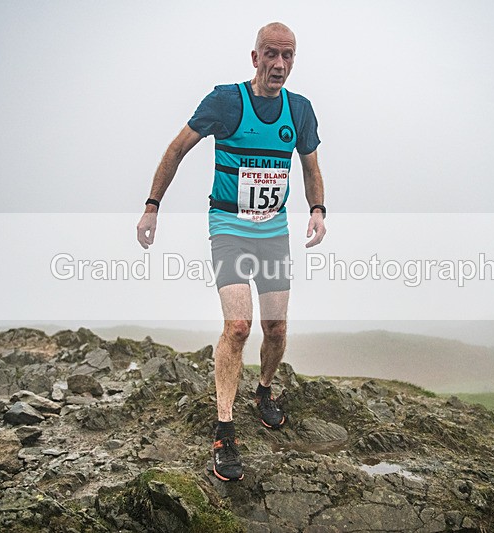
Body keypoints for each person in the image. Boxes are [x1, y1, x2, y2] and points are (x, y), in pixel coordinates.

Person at [136, 22, 326, 482]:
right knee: (238, 326)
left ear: (293, 60)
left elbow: (311, 167)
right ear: (255, 57)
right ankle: (224, 428)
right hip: (229, 227)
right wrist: (151, 206)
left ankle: (263, 390)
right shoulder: (225, 101)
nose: (279, 64)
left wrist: (318, 209)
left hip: (273, 232)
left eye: (288, 55)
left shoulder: (299, 111)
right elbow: (177, 149)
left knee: (276, 328)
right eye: (270, 54)